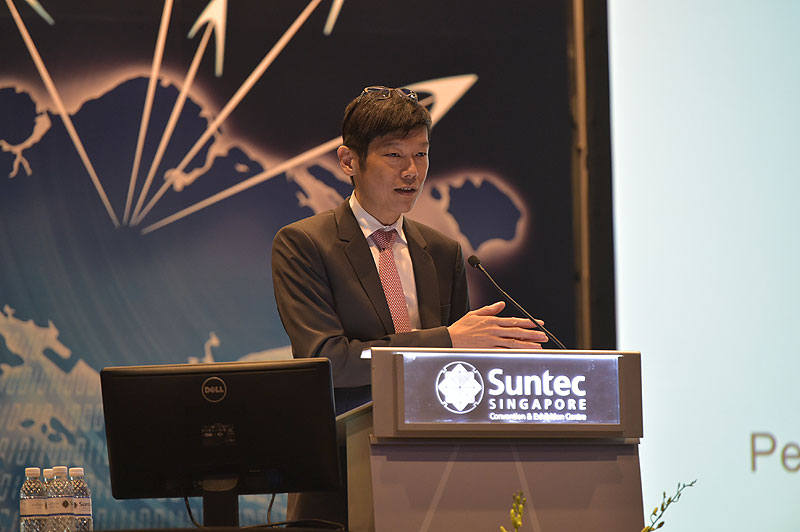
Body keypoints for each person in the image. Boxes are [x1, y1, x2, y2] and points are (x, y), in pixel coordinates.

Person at [272, 85, 548, 414]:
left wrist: (491, 352)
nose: (411, 171)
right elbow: (328, 360)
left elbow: (459, 364)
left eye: (420, 154)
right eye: (394, 155)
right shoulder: (304, 244)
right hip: (348, 436)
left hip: (435, 431)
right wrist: (446, 341)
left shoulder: (443, 251)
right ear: (349, 161)